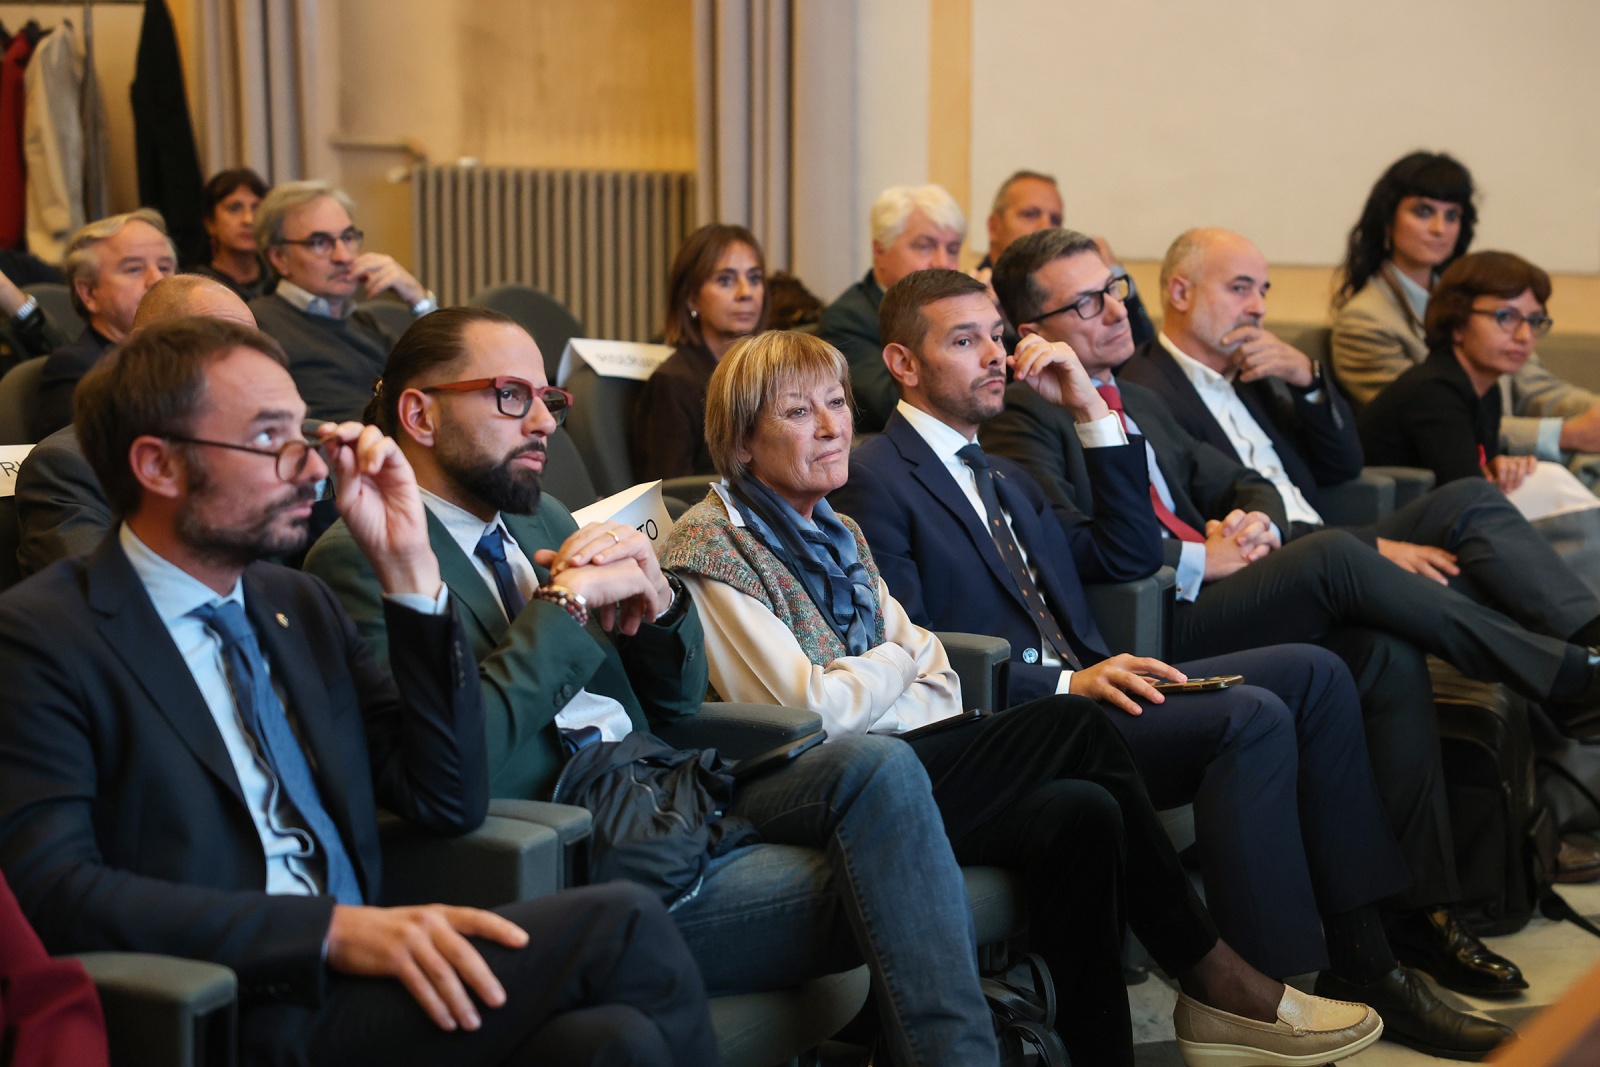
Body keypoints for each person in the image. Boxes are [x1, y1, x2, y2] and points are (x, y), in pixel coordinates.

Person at [658, 329, 1410, 1067]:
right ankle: (1215, 976)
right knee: (1071, 723)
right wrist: (895, 663)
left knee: (1083, 811)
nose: (831, 427)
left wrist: (891, 673)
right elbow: (811, 712)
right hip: (814, 789)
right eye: (798, 412)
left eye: (837, 403)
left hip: (896, 754)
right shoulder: (711, 547)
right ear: (742, 441)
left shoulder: (837, 529)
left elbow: (938, 674)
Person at [831, 267, 1526, 1058]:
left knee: (1318, 671)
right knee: (1250, 715)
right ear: (903, 362)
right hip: (1023, 717)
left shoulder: (1003, 472)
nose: (994, 354)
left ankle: (1366, 958)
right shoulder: (876, 477)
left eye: (996, 335)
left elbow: (1127, 556)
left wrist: (1092, 412)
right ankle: (1261, 991)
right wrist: (1063, 679)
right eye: (965, 341)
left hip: (1096, 681)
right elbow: (913, 644)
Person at [0, 316, 720, 1067]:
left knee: (618, 1041)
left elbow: (448, 793)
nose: (309, 470)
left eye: (302, 435)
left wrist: (409, 572)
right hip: (233, 1002)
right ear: (159, 465)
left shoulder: (292, 606)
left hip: (362, 973)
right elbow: (51, 891)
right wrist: (328, 932)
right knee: (625, 926)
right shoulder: (44, 635)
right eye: (269, 439)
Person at [304, 307, 1003, 1067]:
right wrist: (565, 607)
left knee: (878, 765)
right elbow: (464, 761)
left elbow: (672, 705)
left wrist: (661, 605)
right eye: (511, 396)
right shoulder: (363, 558)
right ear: (420, 415)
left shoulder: (540, 519)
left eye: (549, 399)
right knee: (908, 881)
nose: (543, 422)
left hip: (667, 787)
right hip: (579, 841)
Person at [984, 227, 1600, 997]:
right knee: (1337, 555)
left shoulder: (1136, 395)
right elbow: (1069, 549)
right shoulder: (1024, 412)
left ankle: (1412, 920)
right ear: (1033, 333)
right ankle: (1568, 676)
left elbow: (1244, 479)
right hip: (1148, 626)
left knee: (1383, 653)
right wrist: (1201, 556)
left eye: (1114, 289)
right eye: (1086, 303)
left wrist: (1255, 522)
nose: (1115, 311)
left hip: (1224, 590)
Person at [1329, 151, 1600, 459]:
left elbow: (1537, 388)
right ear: (1388, 220)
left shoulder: (1475, 297)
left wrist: (1592, 411)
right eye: (1423, 211)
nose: (1439, 228)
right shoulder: (1364, 321)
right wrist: (1564, 435)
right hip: (1443, 469)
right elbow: (1437, 419)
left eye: (1452, 215)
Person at [14, 275, 259, 577]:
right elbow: (99, 588)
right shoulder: (69, 466)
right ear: (145, 348)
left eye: (253, 350)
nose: (246, 369)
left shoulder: (267, 448)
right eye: (219, 346)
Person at [1359, 250, 1556, 491]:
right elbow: (1470, 497)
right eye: (1506, 317)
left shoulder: (1487, 391)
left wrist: (1499, 471)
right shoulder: (1434, 391)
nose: (1524, 336)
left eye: (1534, 321)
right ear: (1457, 323)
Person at [250, 180, 437, 423]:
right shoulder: (257, 325)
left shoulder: (365, 323)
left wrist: (419, 299)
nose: (344, 256)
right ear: (279, 258)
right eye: (319, 243)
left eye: (348, 237)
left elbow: (439, 382)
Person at [817, 184, 966, 433]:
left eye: (952, 250)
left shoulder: (971, 315)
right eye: (924, 246)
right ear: (880, 250)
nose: (943, 263)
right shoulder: (847, 320)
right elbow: (894, 405)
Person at [630, 224, 768, 481]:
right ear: (691, 297)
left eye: (754, 279)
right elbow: (669, 490)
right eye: (725, 280)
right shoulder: (673, 382)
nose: (745, 293)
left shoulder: (768, 372)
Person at [31, 209, 177, 440]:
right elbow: (78, 456)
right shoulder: (75, 367)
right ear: (89, 293)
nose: (157, 280)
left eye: (165, 267)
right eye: (134, 268)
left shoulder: (189, 355)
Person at [973, 170, 1156, 350]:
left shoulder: (1076, 282)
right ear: (994, 227)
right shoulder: (972, 298)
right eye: (1030, 214)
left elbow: (1141, 354)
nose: (1046, 227)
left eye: (1055, 219)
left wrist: (1114, 276)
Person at [190, 167, 276, 302]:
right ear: (210, 224)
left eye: (256, 208)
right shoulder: (195, 286)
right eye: (235, 208)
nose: (248, 220)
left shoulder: (280, 281)